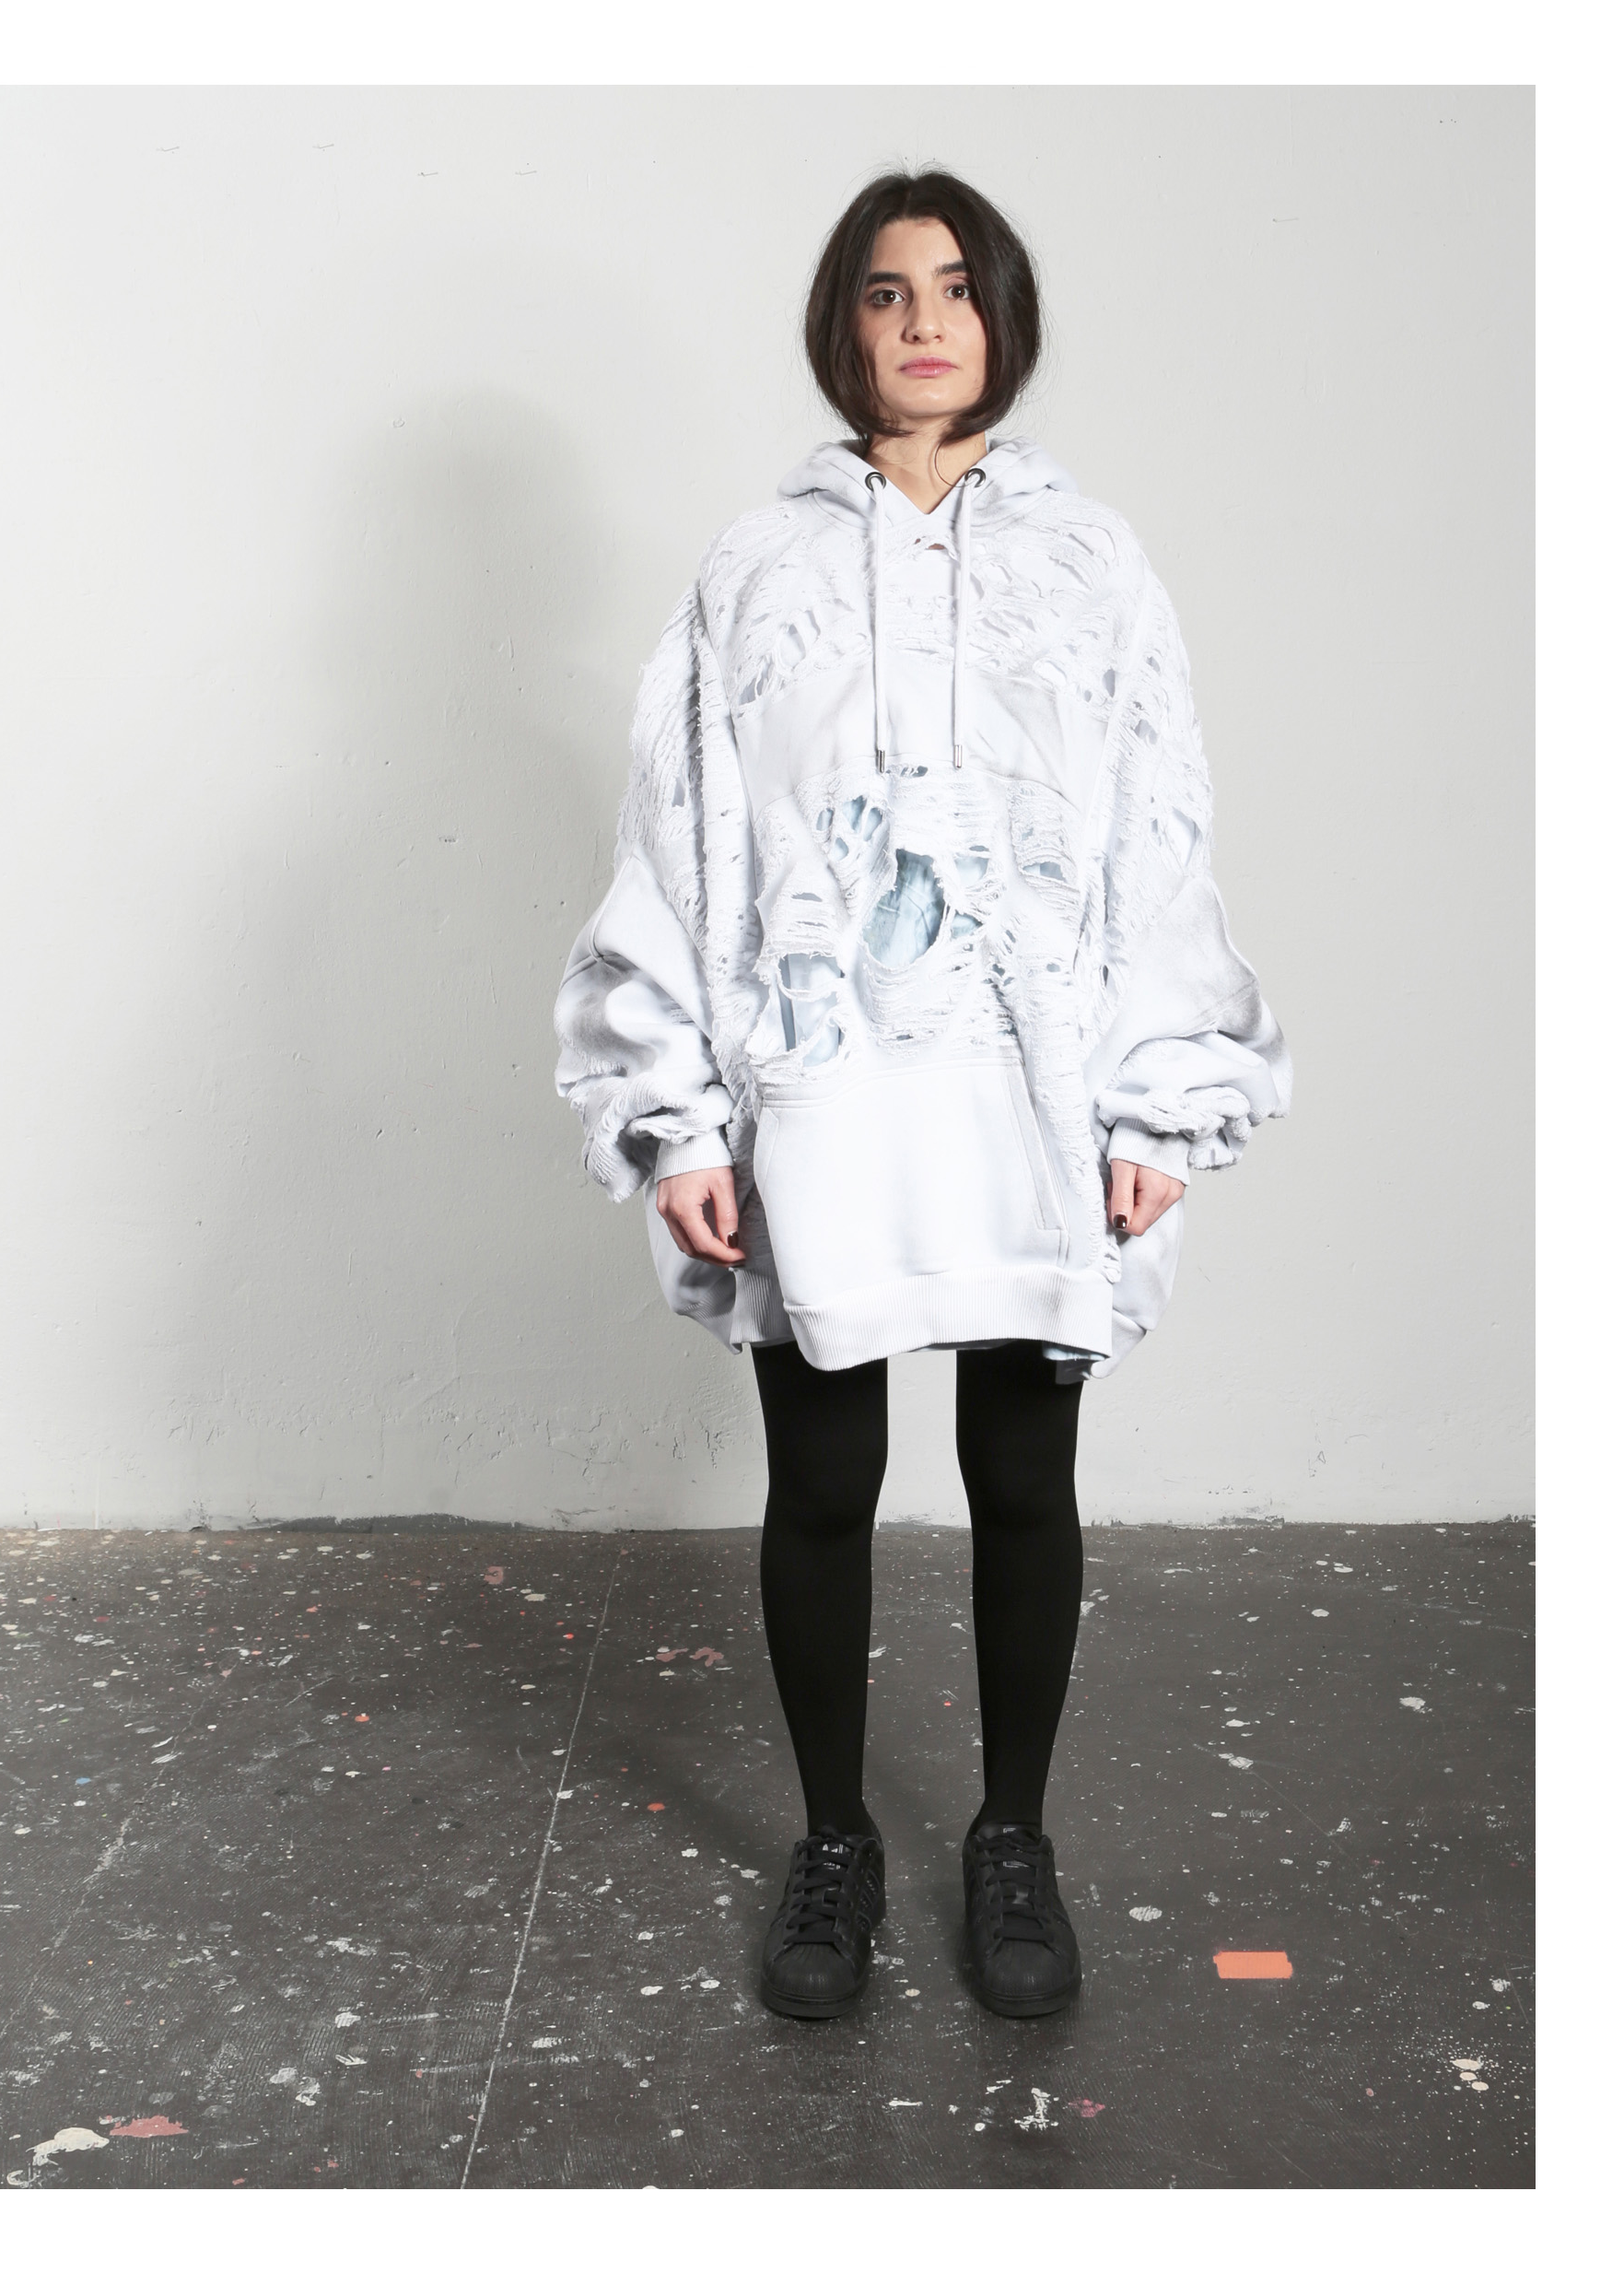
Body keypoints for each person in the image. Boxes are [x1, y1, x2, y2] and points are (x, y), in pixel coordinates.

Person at [552, 169, 1291, 2022]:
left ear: (1002, 316)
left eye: (955, 288)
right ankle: (834, 1841)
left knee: (1023, 1473)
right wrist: (675, 1112)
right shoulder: (755, 571)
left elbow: (1157, 832)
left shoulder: (1093, 566)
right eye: (886, 293)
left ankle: (1012, 1835)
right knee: (823, 1478)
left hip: (1033, 1099)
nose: (923, 322)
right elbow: (679, 840)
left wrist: (1158, 1102)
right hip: (824, 1091)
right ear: (844, 326)